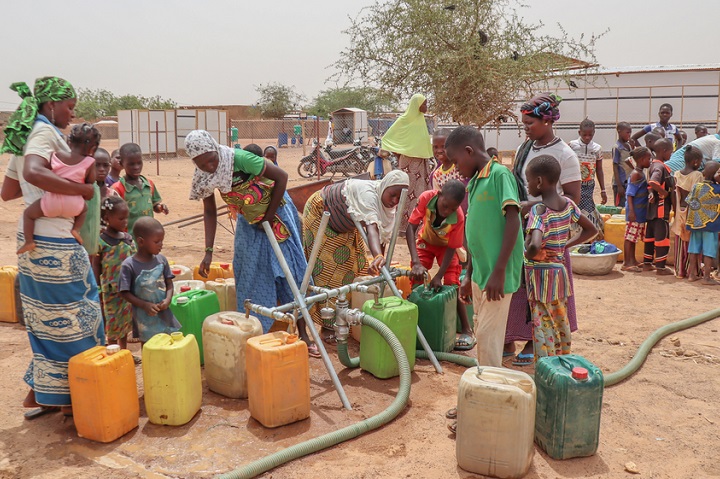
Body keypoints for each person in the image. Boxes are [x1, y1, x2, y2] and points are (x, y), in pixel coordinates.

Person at [0, 76, 104, 419]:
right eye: (69, 107)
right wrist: (80, 192)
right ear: (50, 106)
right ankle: (74, 393)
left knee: (50, 319)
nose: (72, 114)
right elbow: (32, 172)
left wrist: (44, 191)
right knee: (82, 315)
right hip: (52, 242)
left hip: (39, 237)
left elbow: (8, 191)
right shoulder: (44, 134)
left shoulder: (33, 136)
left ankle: (43, 394)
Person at [184, 130, 315, 352]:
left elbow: (281, 177)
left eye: (211, 159)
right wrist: (208, 251)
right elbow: (209, 212)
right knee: (249, 272)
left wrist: (269, 215)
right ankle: (255, 335)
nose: (209, 167)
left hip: (278, 215)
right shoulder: (204, 176)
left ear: (216, 149)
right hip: (249, 221)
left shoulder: (239, 159)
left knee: (289, 270)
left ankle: (303, 335)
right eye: (201, 164)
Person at [507, 93, 581, 365]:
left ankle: (532, 340)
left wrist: (536, 207)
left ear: (548, 121)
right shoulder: (523, 149)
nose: (526, 128)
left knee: (544, 291)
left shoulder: (565, 155)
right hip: (525, 228)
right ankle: (512, 336)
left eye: (530, 123)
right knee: (521, 286)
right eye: (524, 123)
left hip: (549, 236)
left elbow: (572, 199)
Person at [445, 126, 523, 368]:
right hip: (480, 274)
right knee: (482, 332)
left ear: (468, 151)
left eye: (456, 161)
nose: (455, 168)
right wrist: (468, 274)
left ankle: (488, 393)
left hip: (496, 276)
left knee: (489, 338)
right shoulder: (475, 182)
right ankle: (486, 387)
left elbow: (513, 220)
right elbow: (477, 233)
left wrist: (499, 271)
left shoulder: (500, 175)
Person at [303, 170, 409, 333]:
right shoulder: (368, 194)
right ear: (385, 186)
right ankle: (329, 327)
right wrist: (378, 256)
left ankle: (349, 316)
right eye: (393, 195)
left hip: (347, 223)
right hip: (321, 213)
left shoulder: (388, 205)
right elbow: (372, 228)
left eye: (399, 199)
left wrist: (378, 263)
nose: (394, 201)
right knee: (330, 272)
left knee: (358, 266)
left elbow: (381, 234)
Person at [524, 155, 597, 360]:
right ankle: (562, 359)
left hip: (540, 278)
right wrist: (565, 244)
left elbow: (535, 244)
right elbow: (591, 229)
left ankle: (546, 364)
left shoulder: (539, 211)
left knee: (542, 323)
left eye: (529, 180)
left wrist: (527, 250)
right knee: (559, 320)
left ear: (539, 181)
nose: (528, 185)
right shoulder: (568, 205)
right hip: (559, 273)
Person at [406, 180, 474, 350]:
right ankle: (416, 323)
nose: (447, 212)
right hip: (426, 241)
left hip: (446, 248)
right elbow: (410, 228)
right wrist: (416, 262)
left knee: (452, 283)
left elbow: (452, 247)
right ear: (439, 194)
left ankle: (466, 329)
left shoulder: (458, 216)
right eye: (445, 206)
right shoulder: (426, 198)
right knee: (416, 278)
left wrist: (439, 275)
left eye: (452, 208)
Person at [16, 123, 99, 254]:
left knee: (28, 215)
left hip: (51, 202)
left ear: (69, 141)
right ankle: (75, 230)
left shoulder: (57, 155)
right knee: (85, 209)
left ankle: (29, 241)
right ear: (93, 149)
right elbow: (91, 182)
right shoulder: (90, 162)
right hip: (74, 205)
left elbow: (47, 173)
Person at [119, 217, 180, 345]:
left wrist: (168, 300)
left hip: (164, 314)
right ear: (141, 241)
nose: (161, 244)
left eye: (162, 241)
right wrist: (144, 305)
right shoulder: (129, 265)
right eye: (157, 241)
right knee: (148, 347)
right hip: (144, 317)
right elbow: (124, 293)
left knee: (168, 344)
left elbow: (169, 283)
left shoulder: (161, 260)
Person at [380, 94, 434, 234]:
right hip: (408, 165)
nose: (426, 107)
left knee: (420, 194)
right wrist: (400, 154)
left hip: (421, 165)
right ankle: (403, 227)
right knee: (406, 193)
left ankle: (419, 227)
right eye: (424, 104)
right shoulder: (403, 120)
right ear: (417, 105)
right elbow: (388, 138)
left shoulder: (421, 121)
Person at [95, 196, 136, 353]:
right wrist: (97, 287)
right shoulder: (101, 242)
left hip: (127, 289)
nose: (125, 222)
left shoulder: (127, 239)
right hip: (110, 290)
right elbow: (96, 265)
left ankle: (124, 352)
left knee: (125, 322)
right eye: (121, 219)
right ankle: (113, 352)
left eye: (126, 218)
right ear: (107, 218)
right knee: (112, 322)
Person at [111, 143, 168, 236]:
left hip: (148, 235)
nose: (136, 167)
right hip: (128, 238)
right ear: (122, 164)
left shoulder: (149, 184)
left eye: (139, 163)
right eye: (131, 164)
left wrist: (160, 207)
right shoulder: (117, 188)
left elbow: (154, 205)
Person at [569, 118, 606, 234]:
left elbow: (599, 169)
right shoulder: (572, 145)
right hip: (575, 183)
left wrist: (603, 189)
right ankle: (578, 233)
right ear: (579, 133)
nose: (587, 138)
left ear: (594, 133)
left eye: (590, 135)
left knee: (588, 206)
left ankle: (588, 233)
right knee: (575, 206)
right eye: (584, 135)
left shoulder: (597, 149)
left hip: (589, 183)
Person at [643, 139, 675, 275]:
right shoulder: (660, 167)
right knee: (662, 237)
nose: (671, 155)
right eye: (670, 152)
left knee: (650, 236)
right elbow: (653, 182)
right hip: (661, 210)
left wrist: (653, 193)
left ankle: (647, 263)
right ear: (664, 151)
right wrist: (665, 193)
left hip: (651, 210)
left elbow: (649, 186)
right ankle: (661, 267)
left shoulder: (652, 165)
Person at [671, 146, 704, 278]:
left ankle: (680, 270)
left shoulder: (677, 174)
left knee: (680, 241)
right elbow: (697, 196)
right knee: (693, 243)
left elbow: (675, 195)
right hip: (693, 213)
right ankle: (693, 271)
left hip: (680, 211)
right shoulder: (697, 175)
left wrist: (675, 210)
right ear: (695, 161)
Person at [686, 161, 720, 284]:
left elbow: (689, 202)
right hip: (711, 225)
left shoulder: (697, 186)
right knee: (709, 251)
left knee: (694, 249)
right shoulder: (717, 189)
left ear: (704, 173)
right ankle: (706, 277)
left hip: (696, 223)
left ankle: (692, 275)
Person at [622, 147, 652, 272]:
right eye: (648, 159)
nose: (650, 161)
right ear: (641, 159)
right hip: (634, 212)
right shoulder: (636, 174)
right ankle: (627, 263)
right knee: (629, 237)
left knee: (633, 237)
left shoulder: (640, 172)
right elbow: (630, 194)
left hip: (639, 212)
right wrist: (632, 212)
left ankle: (632, 260)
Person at [430, 129, 469, 212]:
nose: (439, 150)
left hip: (469, 213)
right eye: (435, 147)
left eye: (443, 146)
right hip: (453, 217)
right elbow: (438, 199)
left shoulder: (461, 166)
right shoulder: (437, 175)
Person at [612, 122, 634, 208]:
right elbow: (615, 166)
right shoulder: (617, 147)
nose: (629, 135)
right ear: (619, 131)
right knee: (620, 207)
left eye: (630, 132)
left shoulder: (629, 145)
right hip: (620, 183)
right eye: (627, 132)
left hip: (629, 182)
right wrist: (619, 186)